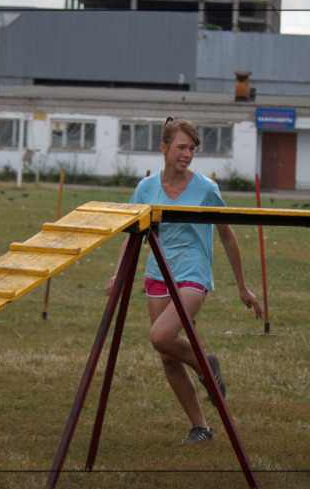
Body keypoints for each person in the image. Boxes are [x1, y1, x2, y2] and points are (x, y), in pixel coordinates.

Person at [105, 116, 263, 445]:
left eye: (192, 148)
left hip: (192, 274)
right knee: (167, 356)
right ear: (163, 148)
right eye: (181, 147)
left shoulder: (206, 188)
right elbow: (132, 236)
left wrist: (242, 286)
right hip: (157, 274)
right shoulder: (145, 188)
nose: (187, 154)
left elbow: (226, 234)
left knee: (161, 336)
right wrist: (119, 273)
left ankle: (205, 364)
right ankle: (200, 427)